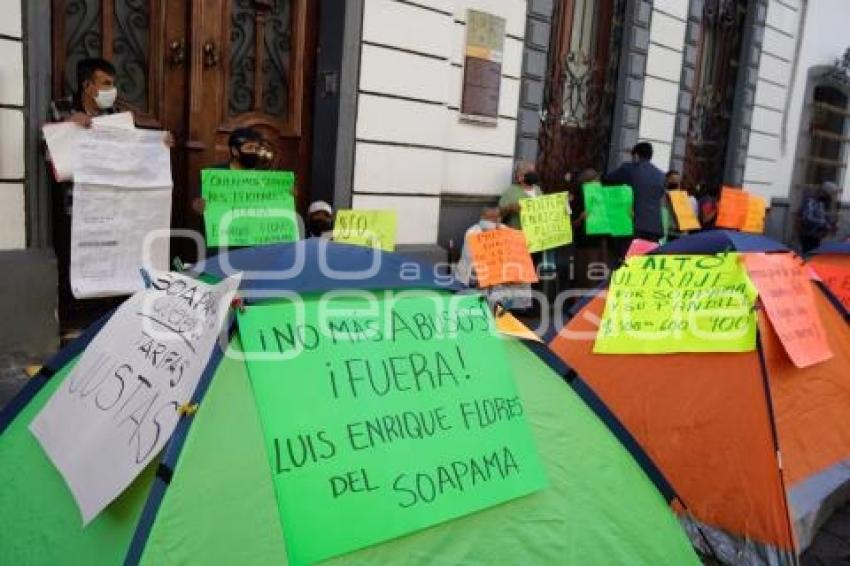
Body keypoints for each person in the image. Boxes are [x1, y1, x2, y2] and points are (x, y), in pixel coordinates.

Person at [192, 127, 269, 215]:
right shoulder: (213, 174)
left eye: (257, 149)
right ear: (235, 151)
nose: (254, 152)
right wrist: (200, 205)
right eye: (249, 148)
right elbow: (197, 204)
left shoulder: (265, 175)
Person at [602, 142, 665, 241]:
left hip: (633, 224)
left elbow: (608, 181)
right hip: (654, 228)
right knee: (646, 255)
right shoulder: (661, 175)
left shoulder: (629, 169)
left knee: (629, 254)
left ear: (636, 156)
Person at [499, 161, 542, 229]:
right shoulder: (510, 191)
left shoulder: (538, 189)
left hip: (535, 232)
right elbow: (499, 214)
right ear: (520, 176)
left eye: (534, 171)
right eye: (530, 172)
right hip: (517, 232)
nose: (534, 174)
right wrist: (509, 208)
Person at [799, 182, 839, 253]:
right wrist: (825, 224)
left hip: (817, 236)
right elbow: (808, 218)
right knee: (808, 256)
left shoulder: (821, 203)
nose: (828, 198)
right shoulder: (810, 201)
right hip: (809, 235)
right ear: (823, 192)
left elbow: (821, 216)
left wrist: (831, 223)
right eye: (828, 195)